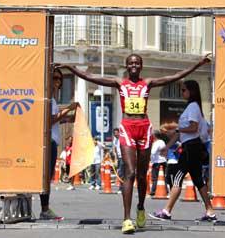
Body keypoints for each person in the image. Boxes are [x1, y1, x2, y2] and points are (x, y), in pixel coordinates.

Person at [57, 53, 211, 233]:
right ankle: (127, 218)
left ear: (141, 65)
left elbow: (174, 77)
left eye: (137, 63)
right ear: (127, 65)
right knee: (129, 173)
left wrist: (198, 64)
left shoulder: (148, 83)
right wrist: (71, 68)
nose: (134, 65)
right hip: (128, 128)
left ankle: (140, 207)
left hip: (144, 129)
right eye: (130, 63)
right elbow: (92, 77)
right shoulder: (119, 82)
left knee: (141, 174)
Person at [149, 80, 216, 222]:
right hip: (191, 146)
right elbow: (181, 134)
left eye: (183, 90)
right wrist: (167, 147)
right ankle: (210, 211)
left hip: (191, 147)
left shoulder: (192, 107)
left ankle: (166, 211)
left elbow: (193, 128)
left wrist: (177, 129)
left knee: (178, 178)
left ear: (191, 91)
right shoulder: (193, 107)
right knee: (198, 180)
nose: (181, 92)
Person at [39, 68, 77, 220]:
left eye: (59, 79)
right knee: (45, 177)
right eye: (54, 78)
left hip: (52, 140)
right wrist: (68, 109)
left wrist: (67, 118)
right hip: (49, 141)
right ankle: (45, 209)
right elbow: (50, 120)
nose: (57, 81)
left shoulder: (52, 99)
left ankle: (45, 208)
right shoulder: (48, 99)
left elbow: (54, 119)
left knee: (46, 178)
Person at [149, 131, 167, 196]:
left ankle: (153, 191)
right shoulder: (162, 142)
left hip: (157, 162)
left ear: (154, 136)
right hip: (163, 161)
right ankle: (165, 190)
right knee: (162, 177)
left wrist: (149, 158)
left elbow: (153, 152)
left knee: (155, 177)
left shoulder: (156, 143)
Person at [112, 128, 124, 194]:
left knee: (121, 173)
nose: (115, 135)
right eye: (114, 134)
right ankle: (122, 187)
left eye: (117, 133)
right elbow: (115, 148)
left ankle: (121, 188)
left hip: (123, 157)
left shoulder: (122, 139)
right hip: (119, 158)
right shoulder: (115, 140)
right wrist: (116, 158)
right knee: (120, 173)